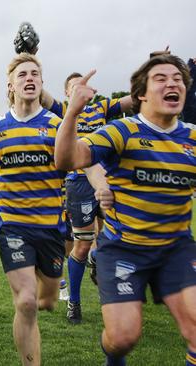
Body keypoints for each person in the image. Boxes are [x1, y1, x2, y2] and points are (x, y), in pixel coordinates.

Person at [54, 54, 196, 366]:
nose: (172, 83)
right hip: (124, 250)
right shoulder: (122, 131)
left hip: (177, 250)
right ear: (141, 95)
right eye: (161, 78)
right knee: (121, 338)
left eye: (178, 79)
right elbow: (67, 160)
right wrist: (73, 113)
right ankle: (81, 307)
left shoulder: (193, 139)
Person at [0, 53, 66, 366]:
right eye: (23, 75)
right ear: (11, 85)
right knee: (27, 301)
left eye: (35, 74)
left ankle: (47, 293)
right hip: (12, 227)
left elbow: (82, 164)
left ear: (42, 84)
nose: (29, 79)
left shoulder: (58, 126)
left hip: (52, 228)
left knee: (45, 300)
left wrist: (101, 189)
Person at [41, 73, 133, 324]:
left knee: (121, 238)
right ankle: (75, 301)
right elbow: (41, 94)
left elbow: (134, 99)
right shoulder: (63, 110)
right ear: (67, 94)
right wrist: (29, 57)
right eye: (74, 86)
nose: (81, 88)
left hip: (109, 182)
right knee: (81, 244)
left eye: (84, 84)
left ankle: (101, 262)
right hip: (79, 184)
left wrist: (155, 68)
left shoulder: (102, 107)